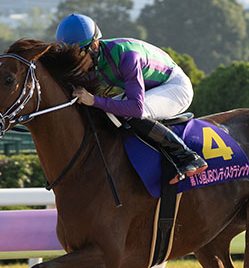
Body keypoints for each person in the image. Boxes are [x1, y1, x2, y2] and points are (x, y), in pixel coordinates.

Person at [55, 13, 207, 184]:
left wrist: (94, 100)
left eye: (79, 55)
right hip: (149, 88)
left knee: (128, 114)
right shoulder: (93, 62)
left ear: (94, 46)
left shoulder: (127, 56)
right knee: (104, 113)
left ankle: (187, 156)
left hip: (175, 87)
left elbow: (135, 108)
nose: (75, 62)